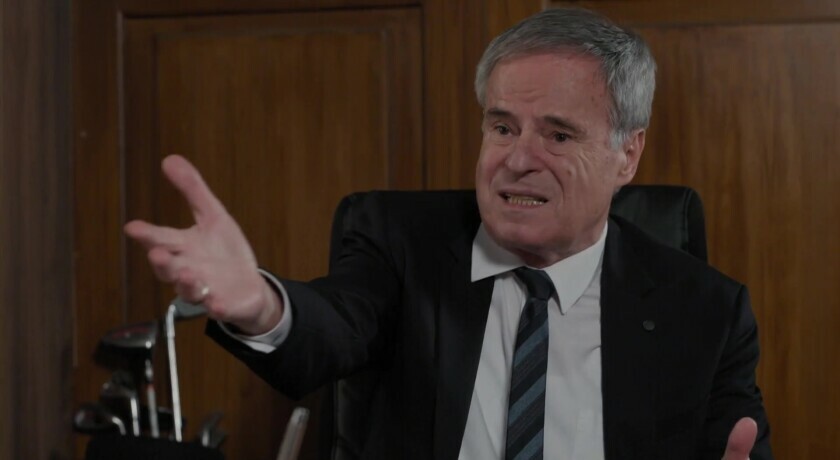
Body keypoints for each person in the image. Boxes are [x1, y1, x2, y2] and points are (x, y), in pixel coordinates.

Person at [124, 7, 772, 460]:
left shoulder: (706, 311)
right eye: (502, 127)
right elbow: (333, 327)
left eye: (557, 134)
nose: (517, 159)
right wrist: (262, 305)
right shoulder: (400, 244)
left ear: (626, 155)